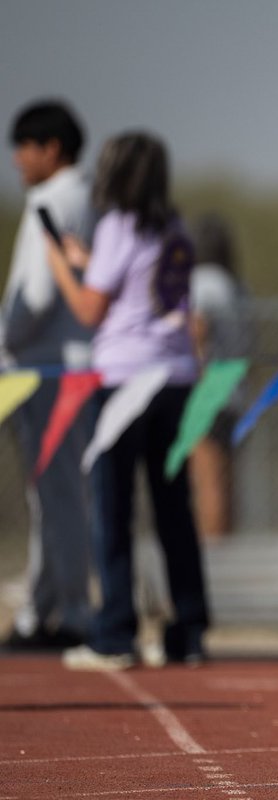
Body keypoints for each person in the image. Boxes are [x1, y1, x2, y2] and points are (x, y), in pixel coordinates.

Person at [44, 131, 210, 671]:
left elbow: (92, 310)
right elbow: (148, 292)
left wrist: (62, 267)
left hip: (123, 381)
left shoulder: (117, 225)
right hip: (176, 377)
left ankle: (113, 634)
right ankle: (188, 632)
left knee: (112, 509)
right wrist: (88, 261)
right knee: (172, 510)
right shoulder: (176, 230)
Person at [1, 100, 94, 652]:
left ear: (50, 149)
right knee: (60, 495)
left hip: (45, 369)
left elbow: (35, 293)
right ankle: (48, 607)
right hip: (73, 367)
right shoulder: (90, 198)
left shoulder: (50, 201)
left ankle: (67, 612)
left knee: (55, 496)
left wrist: (6, 339)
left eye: (23, 147)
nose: (16, 161)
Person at [188, 212, 253, 540]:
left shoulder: (202, 283)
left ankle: (212, 565)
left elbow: (197, 329)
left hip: (206, 395)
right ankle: (226, 553)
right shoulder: (237, 288)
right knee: (227, 486)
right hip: (236, 395)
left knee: (207, 487)